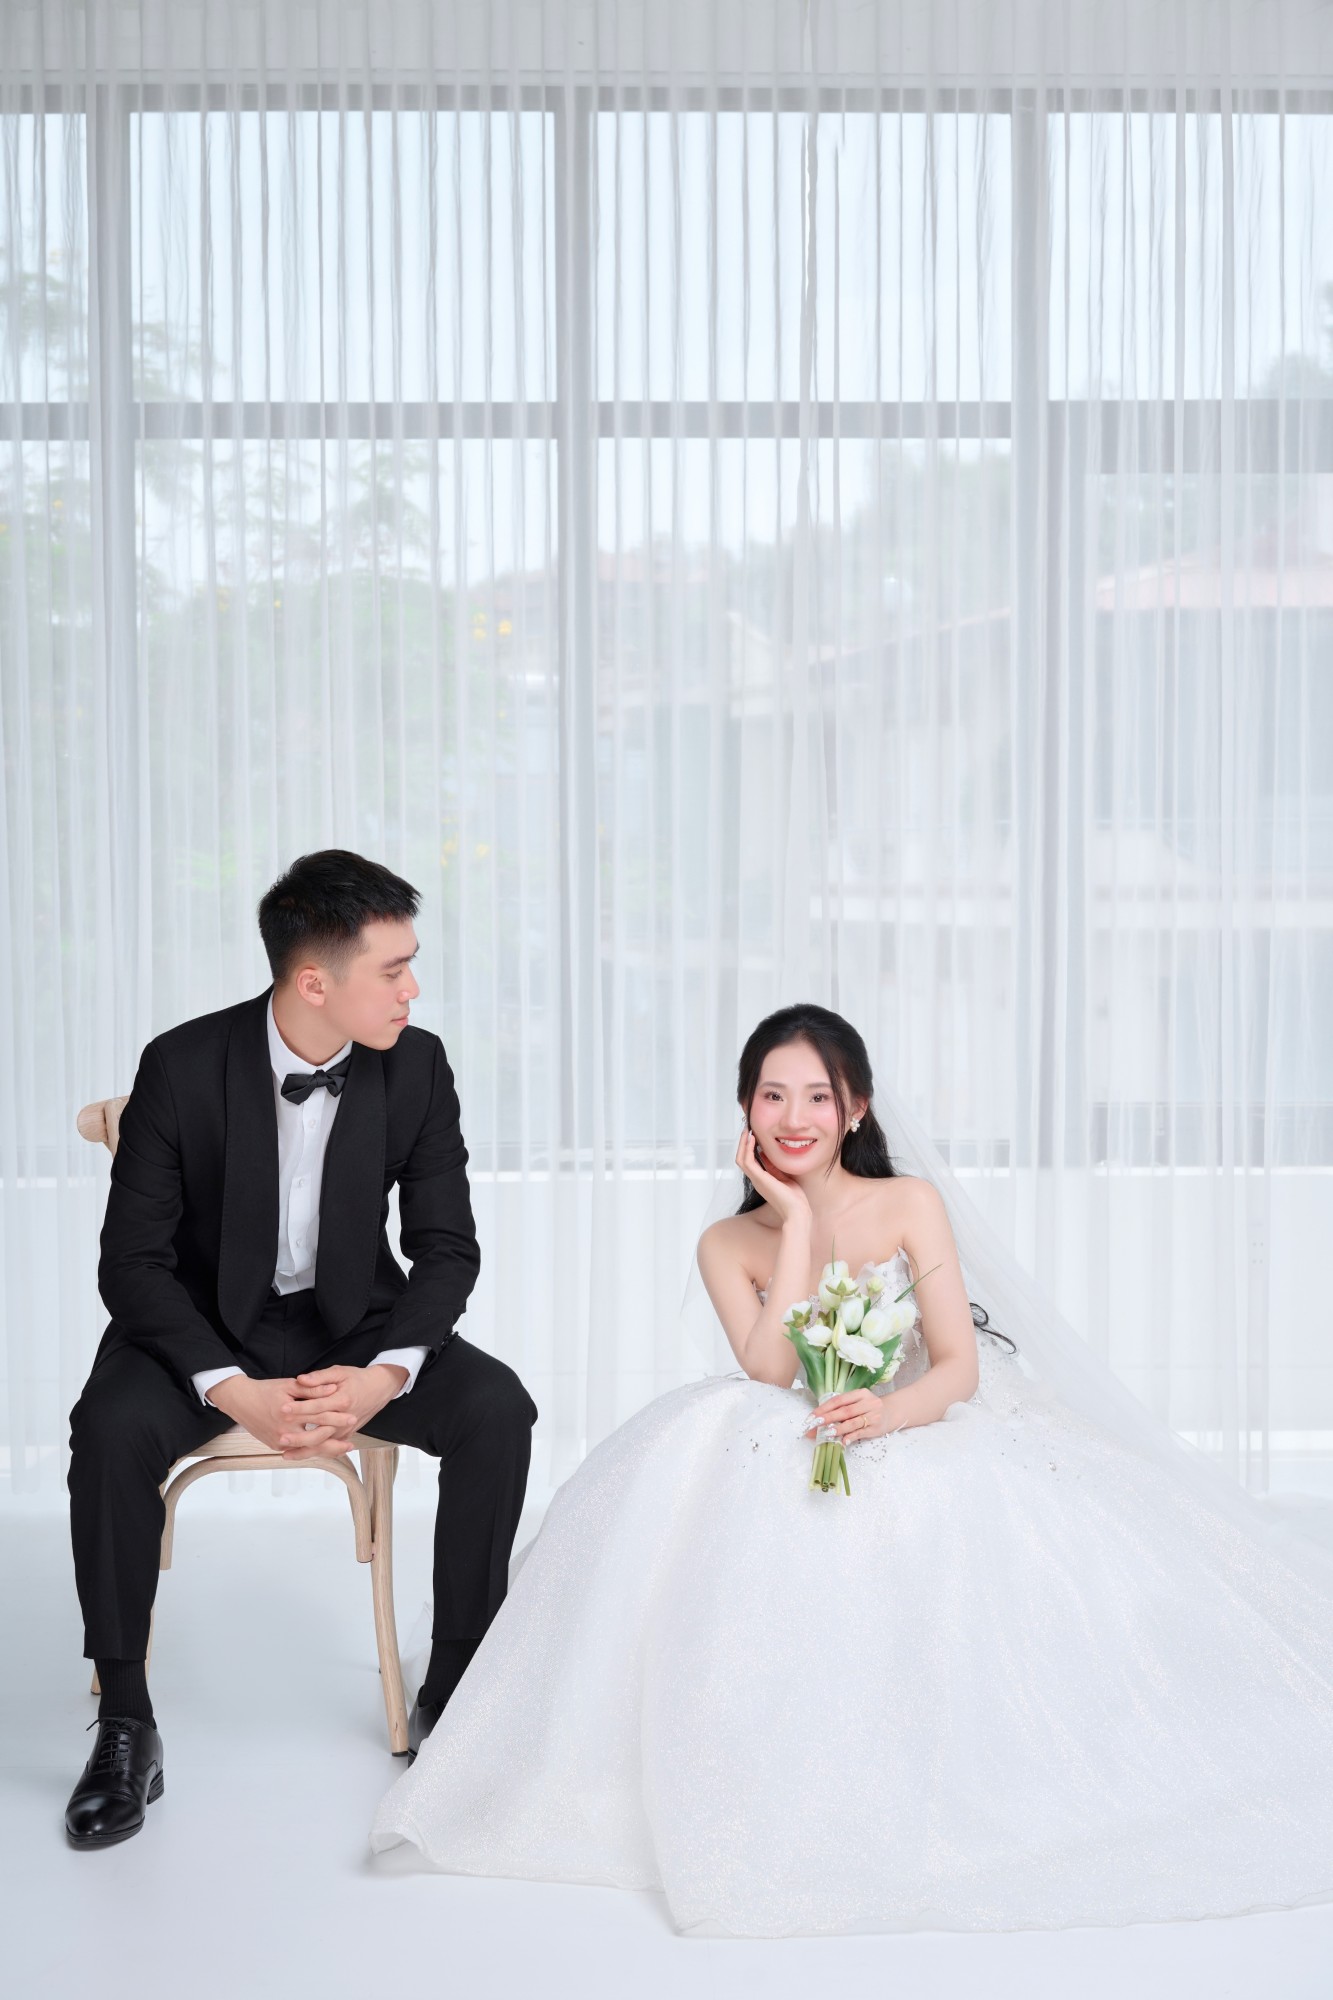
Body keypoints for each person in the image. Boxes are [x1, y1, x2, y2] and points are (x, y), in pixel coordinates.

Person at [371, 1002, 1333, 1935]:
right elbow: (769, 1370)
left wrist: (887, 1413)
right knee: (725, 1441)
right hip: (790, 1427)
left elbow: (954, 1366)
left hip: (913, 1422)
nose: (793, 1118)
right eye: (772, 1096)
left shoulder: (908, 1204)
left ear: (856, 1108)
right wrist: (792, 1222)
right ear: (744, 1110)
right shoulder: (726, 1242)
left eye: (818, 1097)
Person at [65, 850, 537, 1849]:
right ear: (314, 982)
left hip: (356, 1327)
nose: (413, 989)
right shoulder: (180, 1066)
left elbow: (447, 1248)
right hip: (201, 1328)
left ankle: (457, 1685)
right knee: (107, 1427)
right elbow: (131, 1265)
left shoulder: (418, 1065)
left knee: (497, 1407)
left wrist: (383, 1376)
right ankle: (125, 1721)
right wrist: (230, 1387)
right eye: (394, 969)